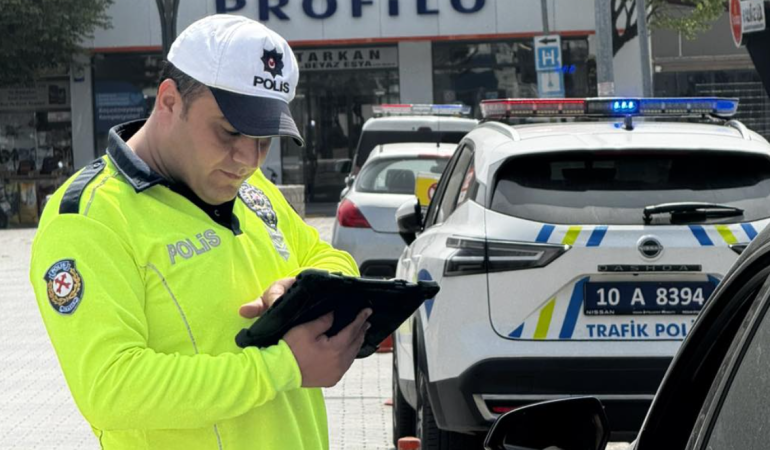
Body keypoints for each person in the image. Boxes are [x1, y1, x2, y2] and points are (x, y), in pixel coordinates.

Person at [29, 15, 370, 450]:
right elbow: (112, 388)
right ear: (169, 101)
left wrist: (307, 287)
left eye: (265, 139)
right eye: (229, 131)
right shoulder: (90, 217)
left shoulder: (252, 188)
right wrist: (282, 367)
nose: (249, 159)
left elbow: (328, 257)